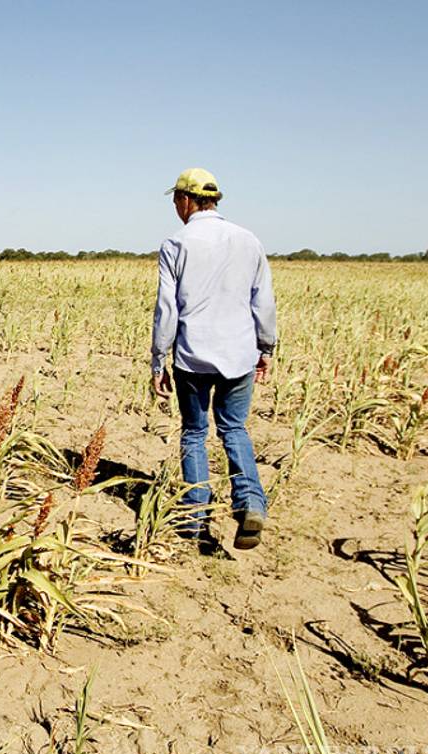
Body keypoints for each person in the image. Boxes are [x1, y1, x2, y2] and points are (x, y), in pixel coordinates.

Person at [150, 168, 276, 550]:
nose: (175, 207)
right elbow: (263, 301)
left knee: (193, 433)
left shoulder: (176, 243)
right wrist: (266, 347)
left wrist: (158, 359)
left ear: (187, 201)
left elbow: (166, 310)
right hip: (239, 355)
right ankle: (250, 503)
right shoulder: (248, 240)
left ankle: (194, 518)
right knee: (234, 429)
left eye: (176, 200)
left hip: (193, 357)